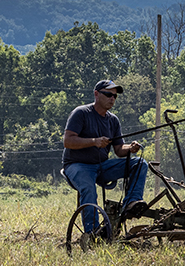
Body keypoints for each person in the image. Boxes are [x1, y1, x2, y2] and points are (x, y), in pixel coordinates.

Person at [62, 79, 148, 233]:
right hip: (77, 165)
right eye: (108, 94)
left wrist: (131, 148)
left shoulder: (113, 120)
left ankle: (131, 203)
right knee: (89, 189)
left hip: (102, 166)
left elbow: (119, 149)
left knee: (140, 163)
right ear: (96, 94)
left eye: (115, 96)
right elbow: (68, 141)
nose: (112, 99)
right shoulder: (81, 113)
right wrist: (94, 142)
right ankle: (92, 232)